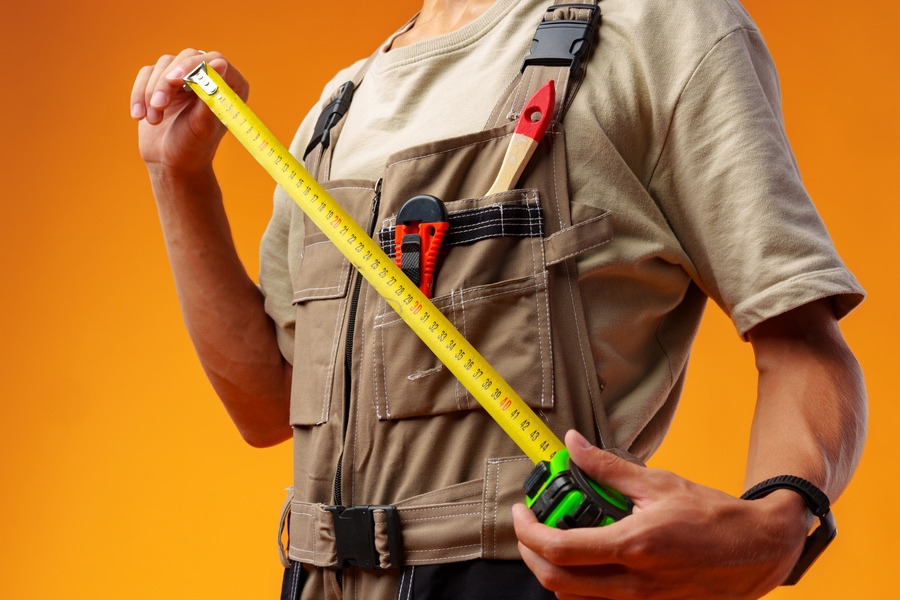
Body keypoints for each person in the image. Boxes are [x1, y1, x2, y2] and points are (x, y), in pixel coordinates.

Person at [131, 0, 867, 598]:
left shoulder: (660, 27)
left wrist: (778, 524)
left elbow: (801, 340)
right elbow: (268, 405)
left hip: (526, 580)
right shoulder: (337, 110)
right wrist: (178, 177)